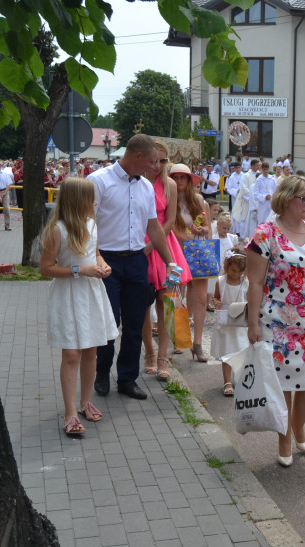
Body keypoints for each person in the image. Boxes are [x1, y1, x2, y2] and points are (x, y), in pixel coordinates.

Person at [246, 175, 305, 467]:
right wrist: (252, 324)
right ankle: (285, 436)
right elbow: (254, 281)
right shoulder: (265, 234)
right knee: (282, 386)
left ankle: (298, 425)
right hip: (275, 323)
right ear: (287, 198)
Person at [89, 134, 177, 400]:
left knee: (134, 322)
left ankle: (127, 378)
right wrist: (95, 258)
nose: (155, 167)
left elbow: (153, 227)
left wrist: (170, 261)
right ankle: (101, 372)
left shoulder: (146, 187)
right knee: (108, 322)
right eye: (152, 161)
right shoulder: (98, 181)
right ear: (137, 156)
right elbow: (88, 225)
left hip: (137, 260)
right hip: (106, 260)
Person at [40, 177, 117, 436]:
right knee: (71, 354)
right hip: (68, 294)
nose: (95, 202)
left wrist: (102, 264)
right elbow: (45, 269)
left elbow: (95, 253)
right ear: (77, 201)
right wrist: (79, 270)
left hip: (91, 293)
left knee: (91, 350)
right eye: (91, 198)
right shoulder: (57, 230)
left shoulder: (92, 225)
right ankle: (70, 411)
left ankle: (86, 401)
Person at [142, 141, 190, 381]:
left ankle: (163, 356)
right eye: (156, 160)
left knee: (168, 302)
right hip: (138, 243)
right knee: (141, 304)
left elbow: (170, 221)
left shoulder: (169, 184)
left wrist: (153, 245)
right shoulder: (139, 181)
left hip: (163, 244)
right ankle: (148, 351)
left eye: (164, 160)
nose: (159, 165)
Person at [168, 163, 213, 362]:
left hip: (197, 252)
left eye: (182, 177)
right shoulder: (168, 200)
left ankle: (197, 343)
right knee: (177, 295)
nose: (179, 181)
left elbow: (207, 227)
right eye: (175, 177)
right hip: (175, 251)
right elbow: (170, 229)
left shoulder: (199, 201)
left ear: (188, 180)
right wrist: (188, 238)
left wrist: (201, 231)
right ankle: (180, 339)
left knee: (201, 299)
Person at [210, 249, 249, 396]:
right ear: (227, 266)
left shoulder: (245, 282)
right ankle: (227, 381)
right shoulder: (220, 281)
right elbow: (216, 297)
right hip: (225, 321)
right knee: (226, 352)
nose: (236, 274)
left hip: (240, 322)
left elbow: (250, 299)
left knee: (240, 351)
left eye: (240, 271)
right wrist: (216, 302)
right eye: (233, 270)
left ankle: (239, 378)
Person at [249, 162, 276, 228]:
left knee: (270, 220)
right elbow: (255, 194)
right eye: (264, 169)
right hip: (262, 204)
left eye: (267, 169)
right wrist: (264, 197)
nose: (266, 171)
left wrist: (271, 196)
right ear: (262, 170)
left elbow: (275, 191)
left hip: (270, 203)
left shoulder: (272, 179)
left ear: (269, 169)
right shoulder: (259, 180)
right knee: (261, 220)